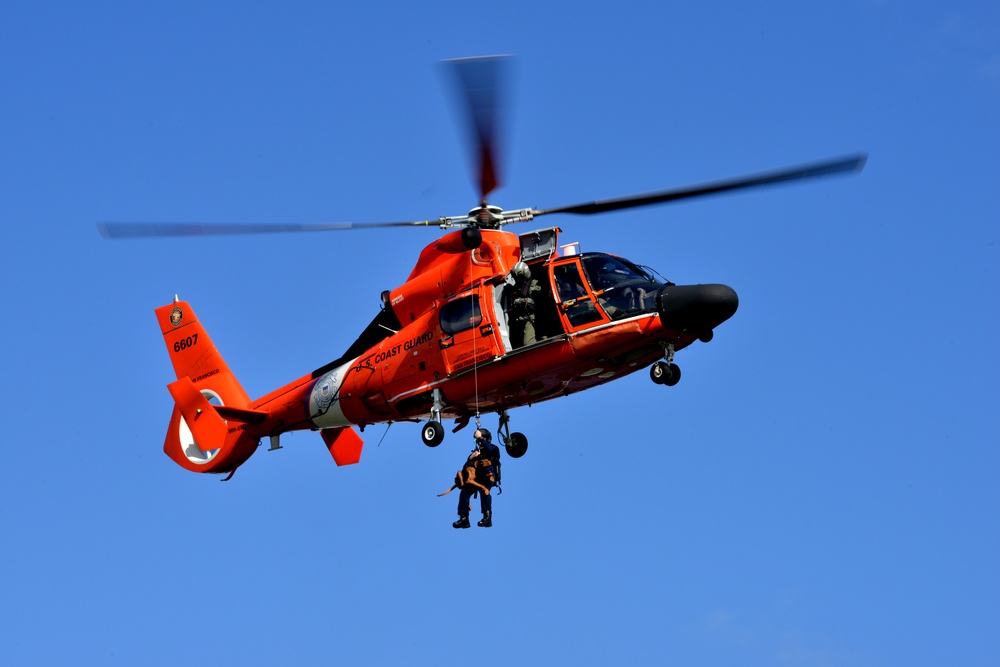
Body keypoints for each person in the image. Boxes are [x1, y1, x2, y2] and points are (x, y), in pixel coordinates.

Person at [452, 428, 501, 529]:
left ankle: (487, 517)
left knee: (485, 492)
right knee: (465, 492)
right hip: (476, 479)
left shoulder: (493, 448)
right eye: (476, 440)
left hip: (488, 477)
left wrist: (480, 439)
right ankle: (464, 518)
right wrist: (470, 458)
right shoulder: (476, 453)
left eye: (478, 439)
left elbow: (489, 449)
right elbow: (467, 469)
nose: (477, 442)